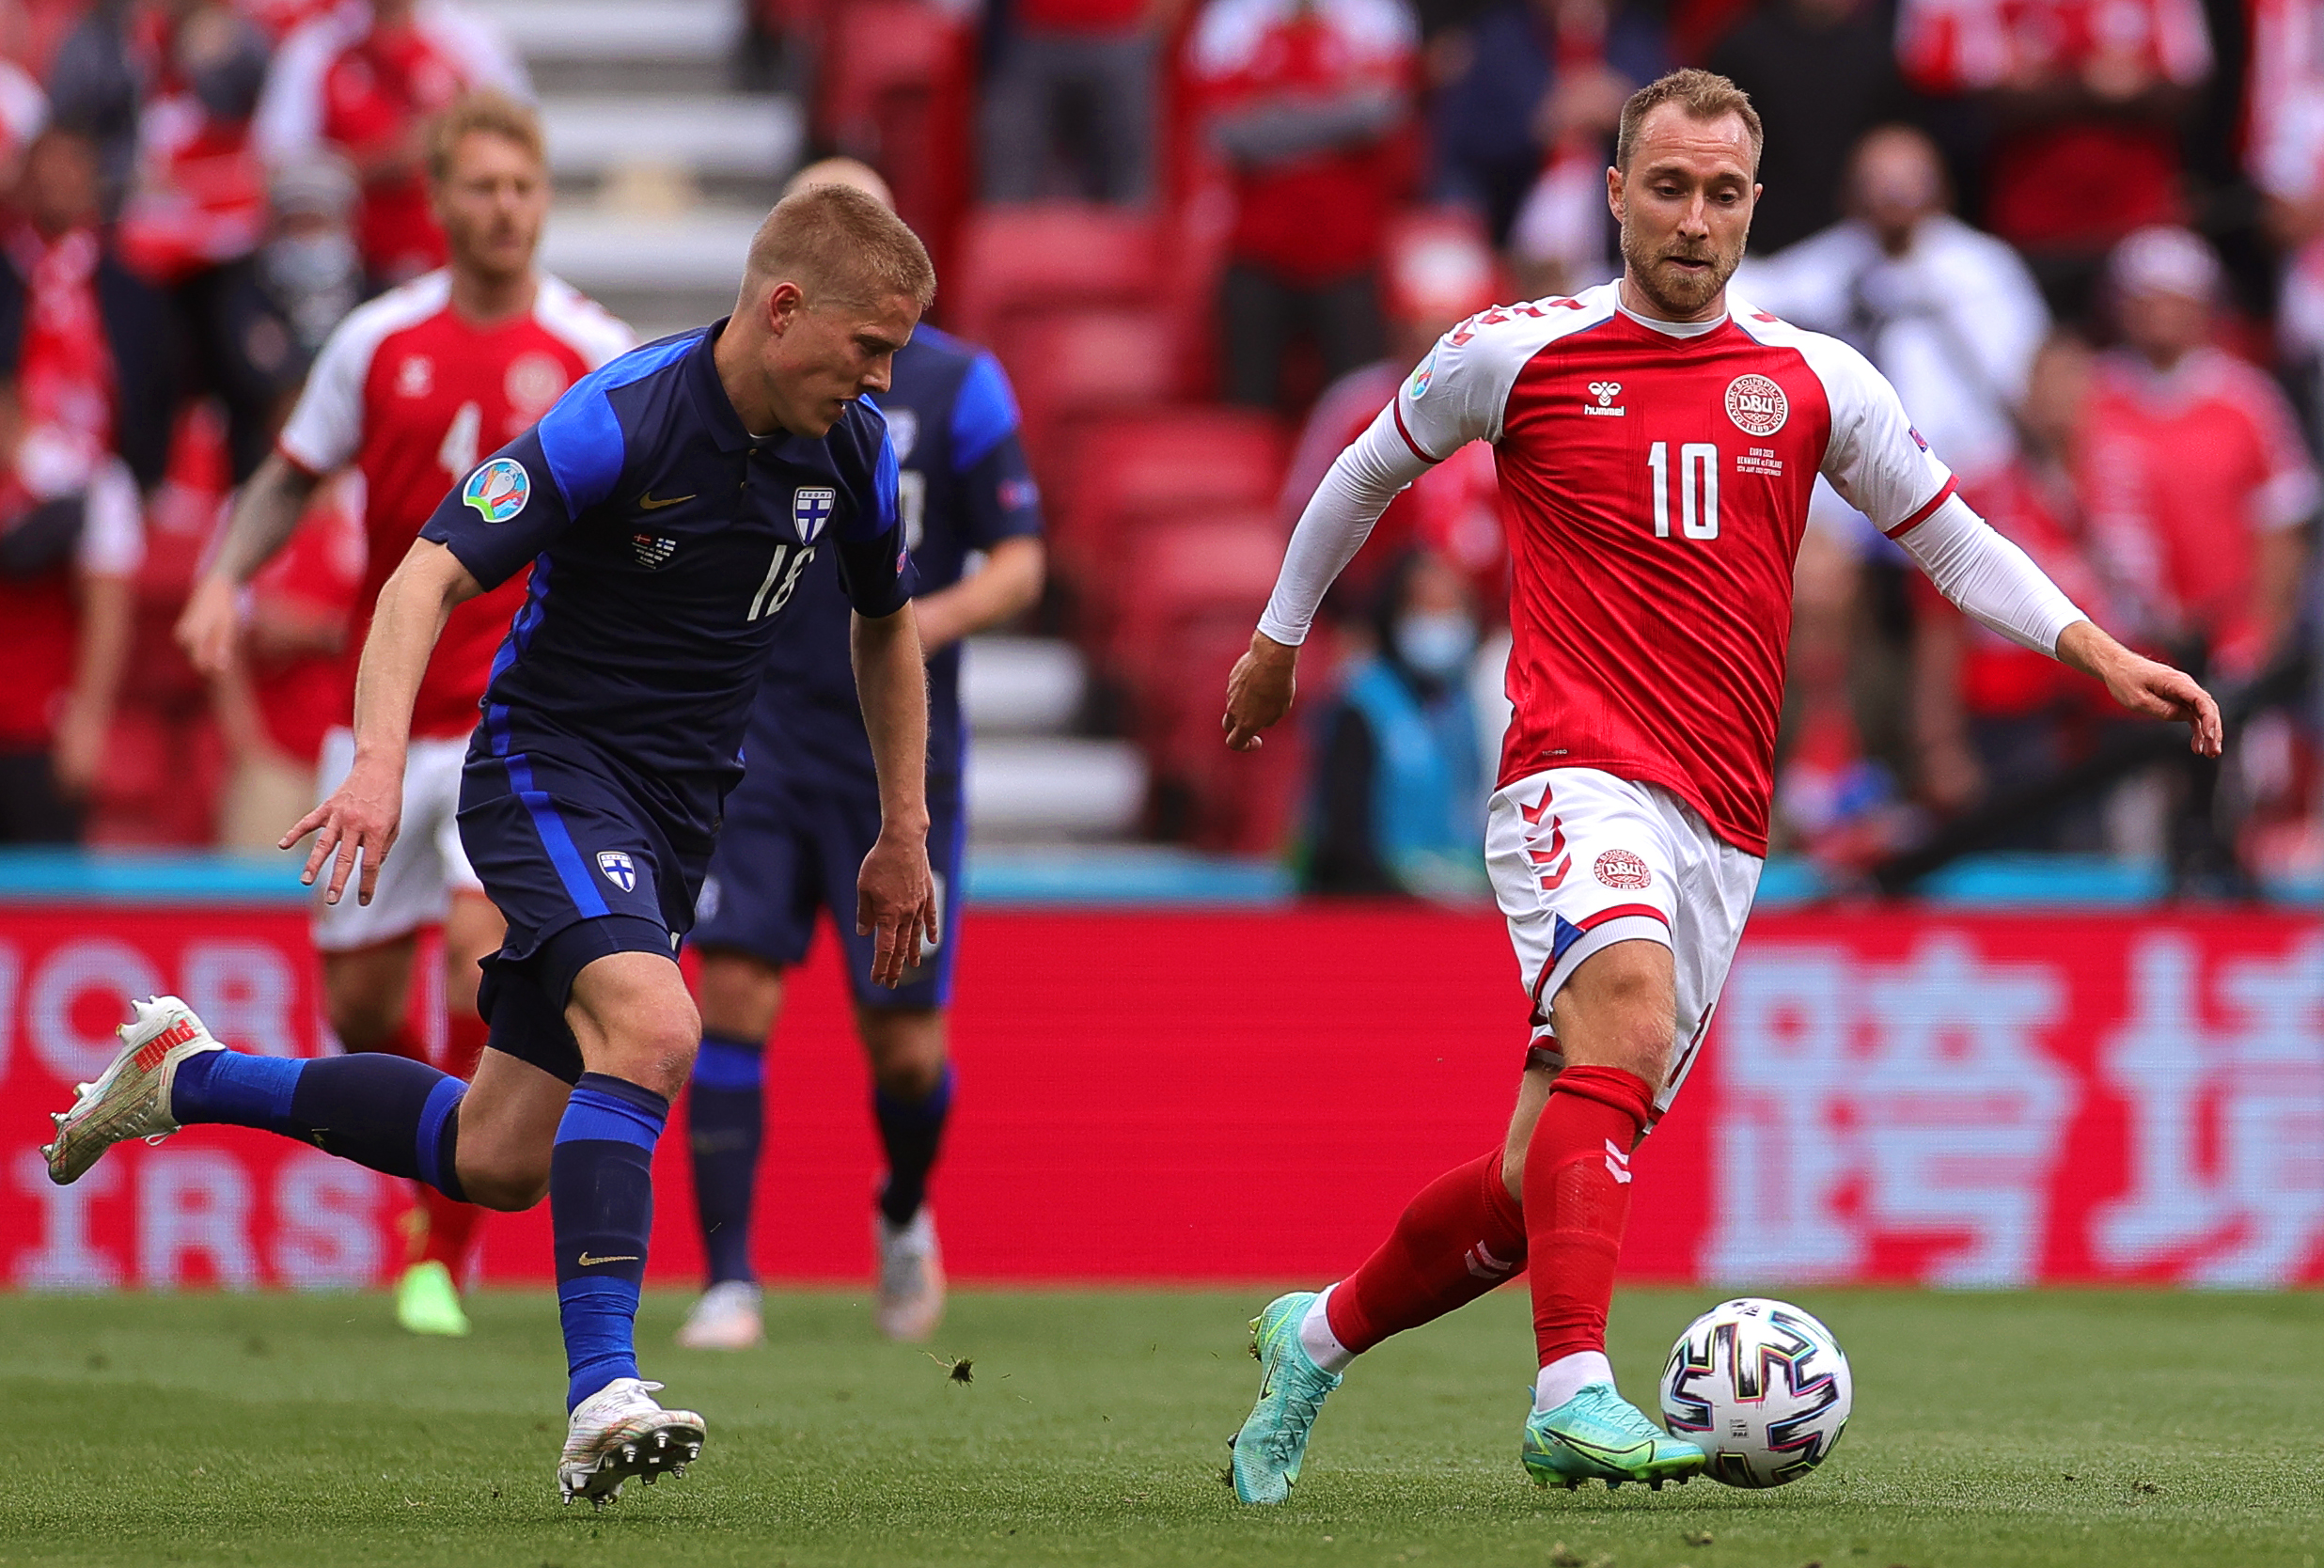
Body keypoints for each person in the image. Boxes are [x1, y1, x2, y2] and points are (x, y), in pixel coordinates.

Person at [1217, 67, 2221, 1501]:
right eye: (1669, 187)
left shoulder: (1815, 380)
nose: (1694, 219)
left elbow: (1948, 537)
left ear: (1755, 208)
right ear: (1615, 193)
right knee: (1624, 1013)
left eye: (1724, 193)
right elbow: (1363, 474)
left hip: (1724, 820)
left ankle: (1312, 1339)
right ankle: (1573, 1394)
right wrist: (1277, 642)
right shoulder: (1518, 351)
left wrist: (2096, 650)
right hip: (1572, 770)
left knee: (1529, 1190)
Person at [53, 179, 937, 1504]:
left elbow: (886, 625)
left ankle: (189, 1076)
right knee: (657, 1029)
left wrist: (902, 823)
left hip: (676, 815)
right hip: (546, 775)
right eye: (869, 347)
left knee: (498, 1156)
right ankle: (601, 1394)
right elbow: (424, 575)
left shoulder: (850, 451)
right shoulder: (620, 418)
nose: (881, 379)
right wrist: (374, 758)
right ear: (783, 308)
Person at [173, 92, 635, 1338]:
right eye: (481, 186)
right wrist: (222, 579)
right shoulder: (378, 342)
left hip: (516, 729)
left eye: (523, 187)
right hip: (382, 724)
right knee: (364, 1008)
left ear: (544, 199)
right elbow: (289, 478)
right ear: (436, 201)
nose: (505, 208)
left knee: (487, 969)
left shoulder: (593, 348)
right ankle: (442, 1175)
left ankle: (440, 1250)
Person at [673, 159, 1045, 1353]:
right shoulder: (748, 378)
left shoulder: (956, 381)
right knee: (733, 992)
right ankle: (729, 1278)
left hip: (896, 750)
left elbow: (1022, 561)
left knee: (905, 1047)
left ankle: (900, 1209)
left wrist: (918, 623)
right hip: (758, 733)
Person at [1738, 123, 2049, 494]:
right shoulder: (1836, 261)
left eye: (1907, 179)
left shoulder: (1982, 268)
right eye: (1878, 181)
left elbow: (2030, 378)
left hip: (1978, 474)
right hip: (1864, 485)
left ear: (1941, 188)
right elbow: (1755, 293)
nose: (1893, 194)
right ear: (1850, 193)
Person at [1189, 0, 1420, 410]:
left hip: (1348, 255)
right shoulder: (1232, 19)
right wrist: (1335, 120)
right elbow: (1226, 133)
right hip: (1257, 253)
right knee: (1248, 411)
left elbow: (1381, 113)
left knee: (1359, 410)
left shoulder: (1376, 16)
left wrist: (1278, 118)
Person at [255, 0, 529, 287]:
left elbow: (517, 143)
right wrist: (379, 161)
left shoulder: (473, 41)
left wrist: (449, 146)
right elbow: (277, 165)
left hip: (452, 261)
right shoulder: (316, 47)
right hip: (347, 271)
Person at [0, 385, 143, 843]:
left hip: (36, 726)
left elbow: (108, 608)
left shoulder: (72, 483)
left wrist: (87, 721)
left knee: (42, 873)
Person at [1303, 547, 1488, 897]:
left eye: (1452, 608)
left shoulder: (1463, 707)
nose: (1441, 621)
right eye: (1426, 607)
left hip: (1458, 896)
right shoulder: (1360, 704)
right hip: (1375, 902)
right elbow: (1343, 840)